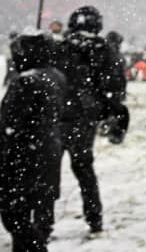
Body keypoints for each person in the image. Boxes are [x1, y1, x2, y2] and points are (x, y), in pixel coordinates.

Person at [54, 6, 126, 237]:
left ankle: (42, 222)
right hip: (84, 117)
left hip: (57, 115)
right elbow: (114, 86)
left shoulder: (60, 47)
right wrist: (111, 112)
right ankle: (94, 219)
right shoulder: (103, 49)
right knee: (84, 168)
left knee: (48, 171)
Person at [0, 31, 66, 250]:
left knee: (15, 217)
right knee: (35, 209)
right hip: (48, 150)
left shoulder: (26, 81)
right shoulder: (55, 76)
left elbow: (9, 122)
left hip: (21, 156)